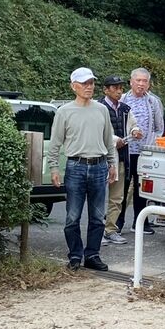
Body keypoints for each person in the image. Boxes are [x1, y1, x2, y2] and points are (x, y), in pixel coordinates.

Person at [48, 67, 117, 270]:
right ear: (74, 86)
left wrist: (112, 163)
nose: (89, 87)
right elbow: (55, 143)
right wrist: (54, 168)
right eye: (84, 83)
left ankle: (93, 255)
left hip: (99, 165)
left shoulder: (101, 109)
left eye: (91, 83)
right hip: (75, 165)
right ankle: (75, 255)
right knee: (72, 216)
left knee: (97, 216)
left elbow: (108, 140)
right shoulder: (64, 112)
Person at [121, 67, 164, 235]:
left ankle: (140, 223)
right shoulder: (123, 99)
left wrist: (153, 143)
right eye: (138, 80)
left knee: (142, 188)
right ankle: (117, 223)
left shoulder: (153, 101)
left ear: (148, 84)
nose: (141, 84)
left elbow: (159, 127)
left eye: (144, 81)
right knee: (122, 188)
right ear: (131, 82)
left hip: (145, 152)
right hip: (126, 150)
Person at [99, 75, 132, 245]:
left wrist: (136, 131)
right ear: (105, 90)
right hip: (101, 158)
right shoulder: (98, 108)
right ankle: (97, 231)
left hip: (121, 157)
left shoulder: (125, 109)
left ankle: (110, 230)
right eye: (114, 88)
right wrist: (114, 140)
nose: (119, 91)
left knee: (117, 197)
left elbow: (133, 125)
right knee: (97, 197)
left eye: (120, 88)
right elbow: (97, 131)